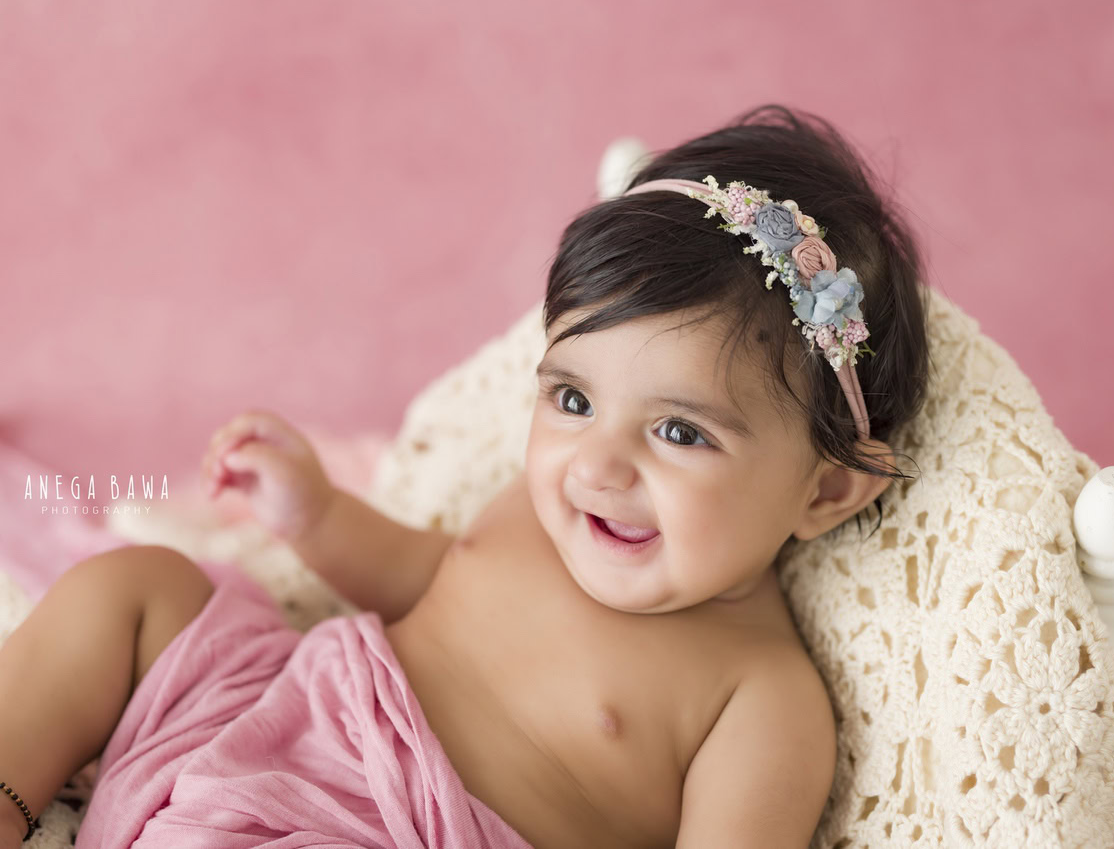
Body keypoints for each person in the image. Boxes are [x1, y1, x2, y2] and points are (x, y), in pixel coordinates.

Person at [0, 103, 930, 848]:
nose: (599, 464)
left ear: (826, 491)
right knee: (140, 587)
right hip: (276, 718)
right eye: (572, 401)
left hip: (403, 826)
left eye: (681, 431)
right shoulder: (534, 515)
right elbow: (417, 575)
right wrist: (315, 516)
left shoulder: (760, 699)